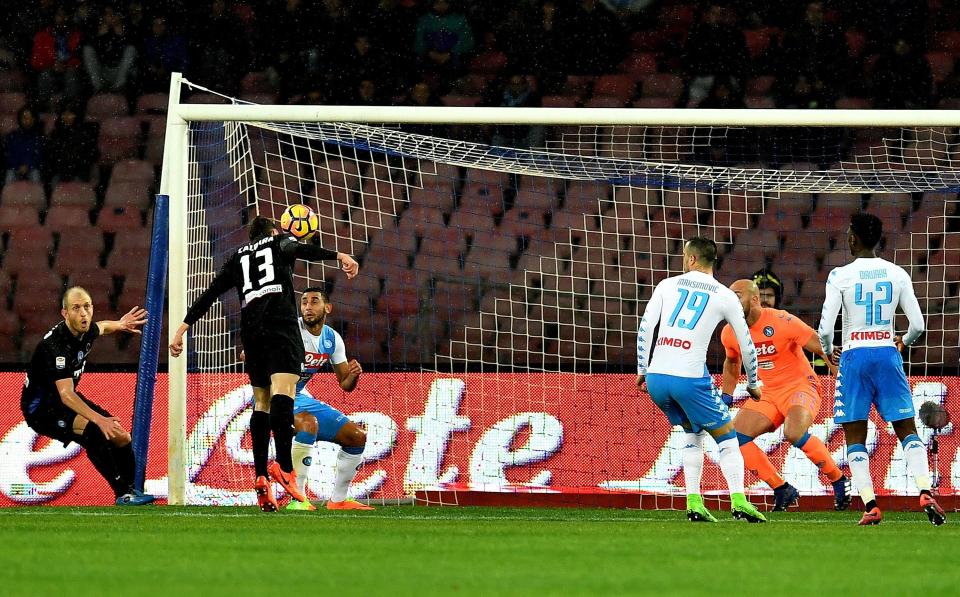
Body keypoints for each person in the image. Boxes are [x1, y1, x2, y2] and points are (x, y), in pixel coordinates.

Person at [169, 216, 360, 512]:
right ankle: (284, 467)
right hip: (280, 327)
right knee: (284, 390)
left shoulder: (236, 257)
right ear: (273, 231)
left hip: (251, 332)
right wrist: (339, 256)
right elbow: (302, 251)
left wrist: (182, 328)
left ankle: (260, 475)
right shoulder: (278, 242)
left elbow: (210, 294)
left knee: (262, 402)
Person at [818, 212, 945, 526]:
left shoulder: (839, 275)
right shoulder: (897, 273)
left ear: (852, 239)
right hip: (888, 354)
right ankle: (925, 490)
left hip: (854, 356)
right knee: (905, 428)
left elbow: (824, 328)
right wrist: (903, 340)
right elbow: (918, 325)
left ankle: (871, 504)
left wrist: (827, 350)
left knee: (855, 433)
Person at [636, 237, 766, 523]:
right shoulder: (724, 295)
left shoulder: (666, 285)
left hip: (657, 379)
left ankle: (694, 502)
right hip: (689, 379)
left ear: (691, 259)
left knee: (692, 433)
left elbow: (646, 326)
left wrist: (642, 369)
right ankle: (739, 501)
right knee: (727, 436)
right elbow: (746, 344)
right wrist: (753, 383)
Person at [720, 279, 851, 511]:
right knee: (735, 438)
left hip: (801, 386)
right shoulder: (730, 332)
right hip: (769, 392)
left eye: (737, 295)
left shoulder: (782, 321)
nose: (732, 300)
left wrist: (843, 385)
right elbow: (732, 363)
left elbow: (822, 348)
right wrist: (726, 397)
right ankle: (782, 489)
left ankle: (839, 479)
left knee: (793, 432)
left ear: (755, 299)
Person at [21, 287, 153, 505]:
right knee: (94, 431)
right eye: (76, 308)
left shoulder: (85, 330)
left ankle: (131, 490)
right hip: (42, 409)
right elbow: (66, 394)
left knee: (121, 436)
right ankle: (123, 494)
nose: (83, 313)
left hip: (63, 400)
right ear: (64, 314)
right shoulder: (55, 347)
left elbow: (102, 327)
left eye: (87, 306)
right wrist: (99, 419)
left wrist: (120, 324)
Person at [285, 288, 370, 511]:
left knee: (356, 436)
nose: (308, 307)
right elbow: (262, 339)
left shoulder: (332, 339)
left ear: (327, 308)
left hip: (300, 396)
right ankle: (298, 500)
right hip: (275, 395)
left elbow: (345, 385)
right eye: (304, 302)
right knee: (308, 423)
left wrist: (353, 374)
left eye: (314, 302)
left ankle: (338, 500)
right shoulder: (291, 329)